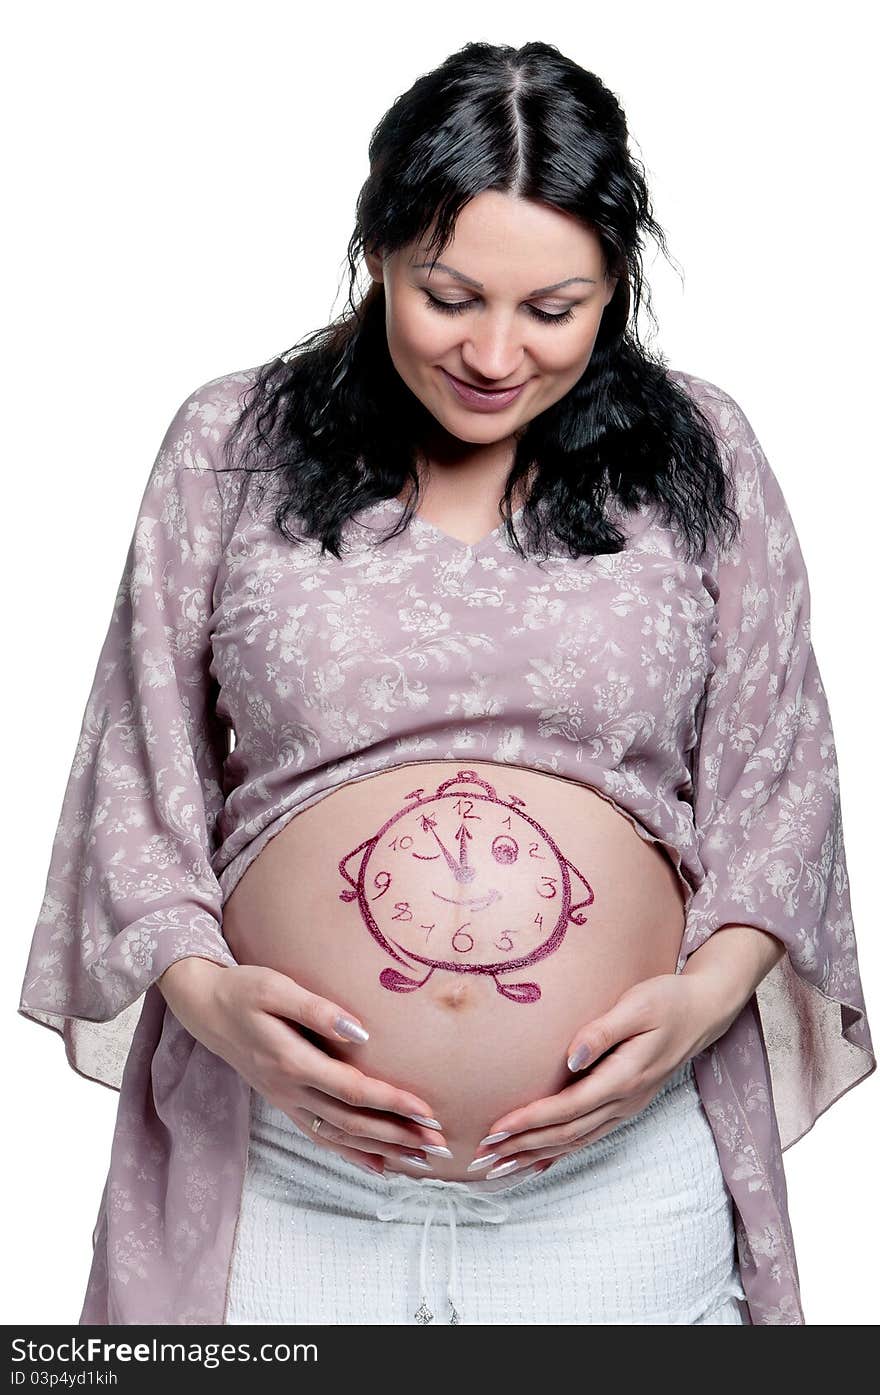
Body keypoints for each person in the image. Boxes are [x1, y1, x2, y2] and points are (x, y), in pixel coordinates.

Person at [18, 39, 874, 1327]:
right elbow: (141, 771)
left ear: (614, 288)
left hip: (620, 1187)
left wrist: (700, 1002)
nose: (494, 354)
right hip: (290, 1178)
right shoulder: (227, 446)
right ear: (377, 252)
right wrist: (217, 1009)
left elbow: (779, 785)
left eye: (554, 310)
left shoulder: (702, 454)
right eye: (449, 294)